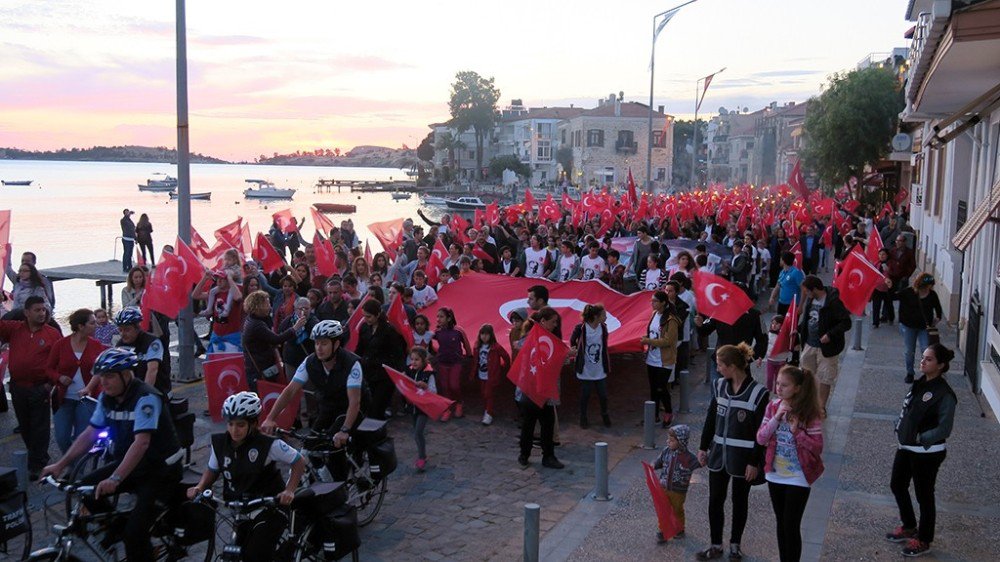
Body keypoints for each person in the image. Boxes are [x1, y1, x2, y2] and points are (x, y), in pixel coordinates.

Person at [40, 348, 184, 561]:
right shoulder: (107, 398)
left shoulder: (146, 397)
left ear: (126, 375)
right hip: (133, 465)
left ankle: (135, 538)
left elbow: (142, 443)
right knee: (84, 489)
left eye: (109, 376)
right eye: (101, 377)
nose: (103, 382)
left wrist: (115, 478)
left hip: (160, 470)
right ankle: (121, 528)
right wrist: (60, 464)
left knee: (134, 535)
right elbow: (90, 433)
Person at [187, 392, 306, 562]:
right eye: (231, 424)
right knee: (234, 553)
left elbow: (298, 461)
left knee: (255, 555)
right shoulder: (220, 444)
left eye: (241, 425)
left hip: (270, 507)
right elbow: (213, 470)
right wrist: (200, 487)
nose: (234, 430)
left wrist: (290, 490)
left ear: (254, 423)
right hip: (240, 508)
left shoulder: (268, 444)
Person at [261, 321, 363, 479]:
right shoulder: (310, 362)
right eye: (316, 343)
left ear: (336, 344)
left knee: (334, 448)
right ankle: (322, 478)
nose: (319, 348)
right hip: (328, 407)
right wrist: (270, 418)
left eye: (324, 343)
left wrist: (344, 430)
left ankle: (341, 495)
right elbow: (290, 391)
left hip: (350, 409)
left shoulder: (351, 364)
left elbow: (354, 402)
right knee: (309, 447)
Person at [696, 343, 769, 561]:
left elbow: (762, 432)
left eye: (720, 365)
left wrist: (754, 462)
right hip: (719, 455)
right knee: (715, 500)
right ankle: (716, 544)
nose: (717, 369)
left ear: (732, 366)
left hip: (743, 459)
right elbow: (711, 418)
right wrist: (702, 446)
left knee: (740, 501)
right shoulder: (719, 386)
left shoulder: (759, 393)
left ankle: (735, 544)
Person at [886, 343, 957, 558]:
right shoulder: (920, 383)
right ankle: (909, 525)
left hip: (927, 452)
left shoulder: (944, 394)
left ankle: (924, 539)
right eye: (923, 357)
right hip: (906, 446)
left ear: (941, 365)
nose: (923, 361)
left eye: (929, 359)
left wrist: (920, 438)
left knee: (924, 495)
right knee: (897, 485)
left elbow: (945, 428)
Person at [756, 365, 825, 562]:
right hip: (775, 473)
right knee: (781, 522)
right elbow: (761, 438)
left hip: (798, 476)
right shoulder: (772, 407)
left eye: (784, 385)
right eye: (777, 383)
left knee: (791, 524)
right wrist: (776, 419)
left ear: (797, 388)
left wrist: (797, 432)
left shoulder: (810, 413)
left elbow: (817, 447)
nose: (779, 388)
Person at [0, 296, 61, 478]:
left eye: (43, 310)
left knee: (40, 427)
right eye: (37, 310)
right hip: (18, 387)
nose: (42, 313)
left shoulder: (52, 334)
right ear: (27, 313)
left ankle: (38, 463)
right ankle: (36, 456)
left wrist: (50, 385)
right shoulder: (15, 329)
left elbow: (59, 360)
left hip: (39, 387)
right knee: (25, 426)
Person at [47, 308, 105, 453]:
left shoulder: (96, 345)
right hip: (64, 399)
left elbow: (100, 370)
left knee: (81, 437)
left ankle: (76, 470)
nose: (96, 325)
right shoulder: (61, 345)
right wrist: (59, 377)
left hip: (87, 400)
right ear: (80, 326)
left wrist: (89, 388)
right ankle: (72, 465)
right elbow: (48, 369)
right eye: (92, 323)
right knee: (61, 436)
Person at [516, 307, 566, 470]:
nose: (555, 325)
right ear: (543, 321)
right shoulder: (531, 337)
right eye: (553, 322)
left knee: (547, 424)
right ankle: (524, 454)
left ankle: (548, 456)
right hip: (531, 388)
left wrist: (565, 355)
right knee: (529, 425)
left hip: (546, 389)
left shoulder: (551, 337)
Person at [796, 275, 851, 415]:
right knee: (807, 375)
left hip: (827, 347)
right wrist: (798, 330)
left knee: (825, 377)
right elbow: (809, 319)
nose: (806, 294)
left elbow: (846, 322)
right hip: (809, 343)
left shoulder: (833, 302)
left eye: (807, 291)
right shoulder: (810, 300)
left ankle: (821, 407)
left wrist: (830, 334)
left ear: (814, 289)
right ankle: (808, 403)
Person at [355, 299, 407, 420]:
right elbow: (360, 349)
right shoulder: (364, 328)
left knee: (378, 407)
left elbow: (398, 352)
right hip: (368, 372)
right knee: (368, 405)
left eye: (369, 316)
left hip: (384, 374)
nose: (366, 319)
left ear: (377, 315)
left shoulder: (389, 330)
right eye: (364, 316)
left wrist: (401, 369)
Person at [242, 290, 305, 391]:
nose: (270, 307)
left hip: (257, 365)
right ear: (259, 306)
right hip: (260, 368)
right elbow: (276, 339)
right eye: (267, 304)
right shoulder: (257, 325)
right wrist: (295, 328)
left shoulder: (251, 319)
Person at [653, 424, 700, 543]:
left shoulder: (689, 457)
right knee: (664, 509)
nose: (668, 442)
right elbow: (659, 462)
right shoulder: (666, 451)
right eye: (668, 439)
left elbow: (699, 463)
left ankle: (679, 529)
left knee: (677, 510)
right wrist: (653, 465)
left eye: (672, 440)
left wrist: (706, 457)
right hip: (664, 487)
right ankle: (663, 530)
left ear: (681, 442)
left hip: (678, 491)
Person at [640, 291, 680, 426]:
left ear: (663, 303)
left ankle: (668, 411)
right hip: (652, 358)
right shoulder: (653, 315)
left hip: (665, 360)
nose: (652, 303)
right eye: (652, 301)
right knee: (653, 388)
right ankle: (654, 414)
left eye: (655, 301)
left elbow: (668, 341)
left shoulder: (671, 320)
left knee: (661, 388)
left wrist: (649, 341)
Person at [897, 273, 943, 384]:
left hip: (924, 327)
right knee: (909, 351)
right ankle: (910, 373)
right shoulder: (908, 292)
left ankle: (927, 374)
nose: (929, 288)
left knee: (926, 350)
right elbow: (894, 295)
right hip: (909, 327)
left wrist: (936, 319)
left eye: (930, 286)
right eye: (928, 285)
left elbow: (938, 309)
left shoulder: (932, 295)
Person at [570, 303, 611, 428]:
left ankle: (605, 414)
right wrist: (576, 350)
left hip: (599, 368)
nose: (606, 317)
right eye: (604, 315)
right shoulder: (581, 328)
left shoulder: (603, 328)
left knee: (603, 395)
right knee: (585, 395)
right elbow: (573, 341)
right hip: (586, 368)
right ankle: (583, 417)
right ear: (596, 316)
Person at [114, 306, 170, 395]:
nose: (122, 334)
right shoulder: (121, 344)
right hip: (134, 390)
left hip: (156, 390)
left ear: (137, 327)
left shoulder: (152, 342)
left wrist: (143, 394)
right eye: (120, 330)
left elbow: (152, 370)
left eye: (127, 330)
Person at [431, 307, 472, 420]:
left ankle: (459, 403)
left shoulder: (458, 330)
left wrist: (469, 356)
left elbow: (466, 344)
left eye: (441, 316)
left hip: (456, 362)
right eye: (437, 316)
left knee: (454, 385)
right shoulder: (437, 332)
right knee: (445, 387)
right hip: (442, 362)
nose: (438, 319)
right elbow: (427, 340)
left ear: (449, 318)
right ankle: (447, 408)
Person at [403, 347, 437, 471]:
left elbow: (434, 391)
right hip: (413, 407)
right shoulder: (409, 371)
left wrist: (425, 387)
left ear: (423, 360)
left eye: (417, 359)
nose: (414, 362)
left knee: (418, 433)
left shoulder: (429, 374)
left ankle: (422, 457)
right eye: (412, 359)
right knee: (417, 433)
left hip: (423, 408)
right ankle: (422, 453)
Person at [474, 323, 510, 426]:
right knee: (483, 393)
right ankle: (487, 409)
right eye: (482, 334)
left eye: (486, 334)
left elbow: (506, 356)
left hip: (491, 375)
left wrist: (504, 366)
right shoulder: (477, 346)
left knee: (488, 394)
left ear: (491, 335)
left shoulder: (496, 347)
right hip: (482, 374)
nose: (484, 336)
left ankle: (489, 413)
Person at [769, 252, 804, 316]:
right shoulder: (782, 272)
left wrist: (801, 306)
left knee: (790, 325)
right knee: (780, 323)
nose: (780, 261)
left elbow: (803, 289)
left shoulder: (796, 273)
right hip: (781, 303)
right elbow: (777, 286)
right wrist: (772, 297)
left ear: (783, 260)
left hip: (792, 305)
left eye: (780, 259)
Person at [764, 315, 790, 393]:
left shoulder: (784, 336)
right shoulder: (769, 334)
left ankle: (777, 392)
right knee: (769, 378)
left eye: (777, 324)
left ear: (782, 325)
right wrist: (760, 357)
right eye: (773, 323)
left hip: (781, 361)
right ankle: (768, 392)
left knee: (779, 379)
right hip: (770, 360)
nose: (774, 325)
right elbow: (765, 345)